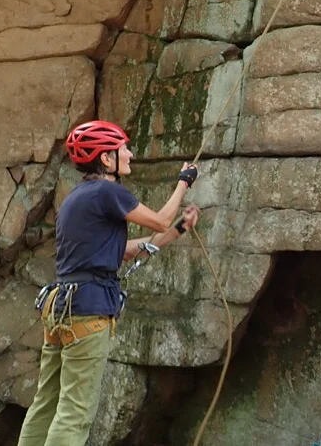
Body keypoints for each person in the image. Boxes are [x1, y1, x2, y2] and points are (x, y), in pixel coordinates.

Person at [17, 120, 201, 446]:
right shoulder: (107, 191)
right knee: (75, 411)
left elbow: (125, 251)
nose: (129, 154)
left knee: (46, 402)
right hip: (88, 311)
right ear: (106, 159)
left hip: (61, 307)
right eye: (123, 149)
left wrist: (179, 231)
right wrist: (183, 183)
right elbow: (158, 218)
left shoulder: (78, 198)